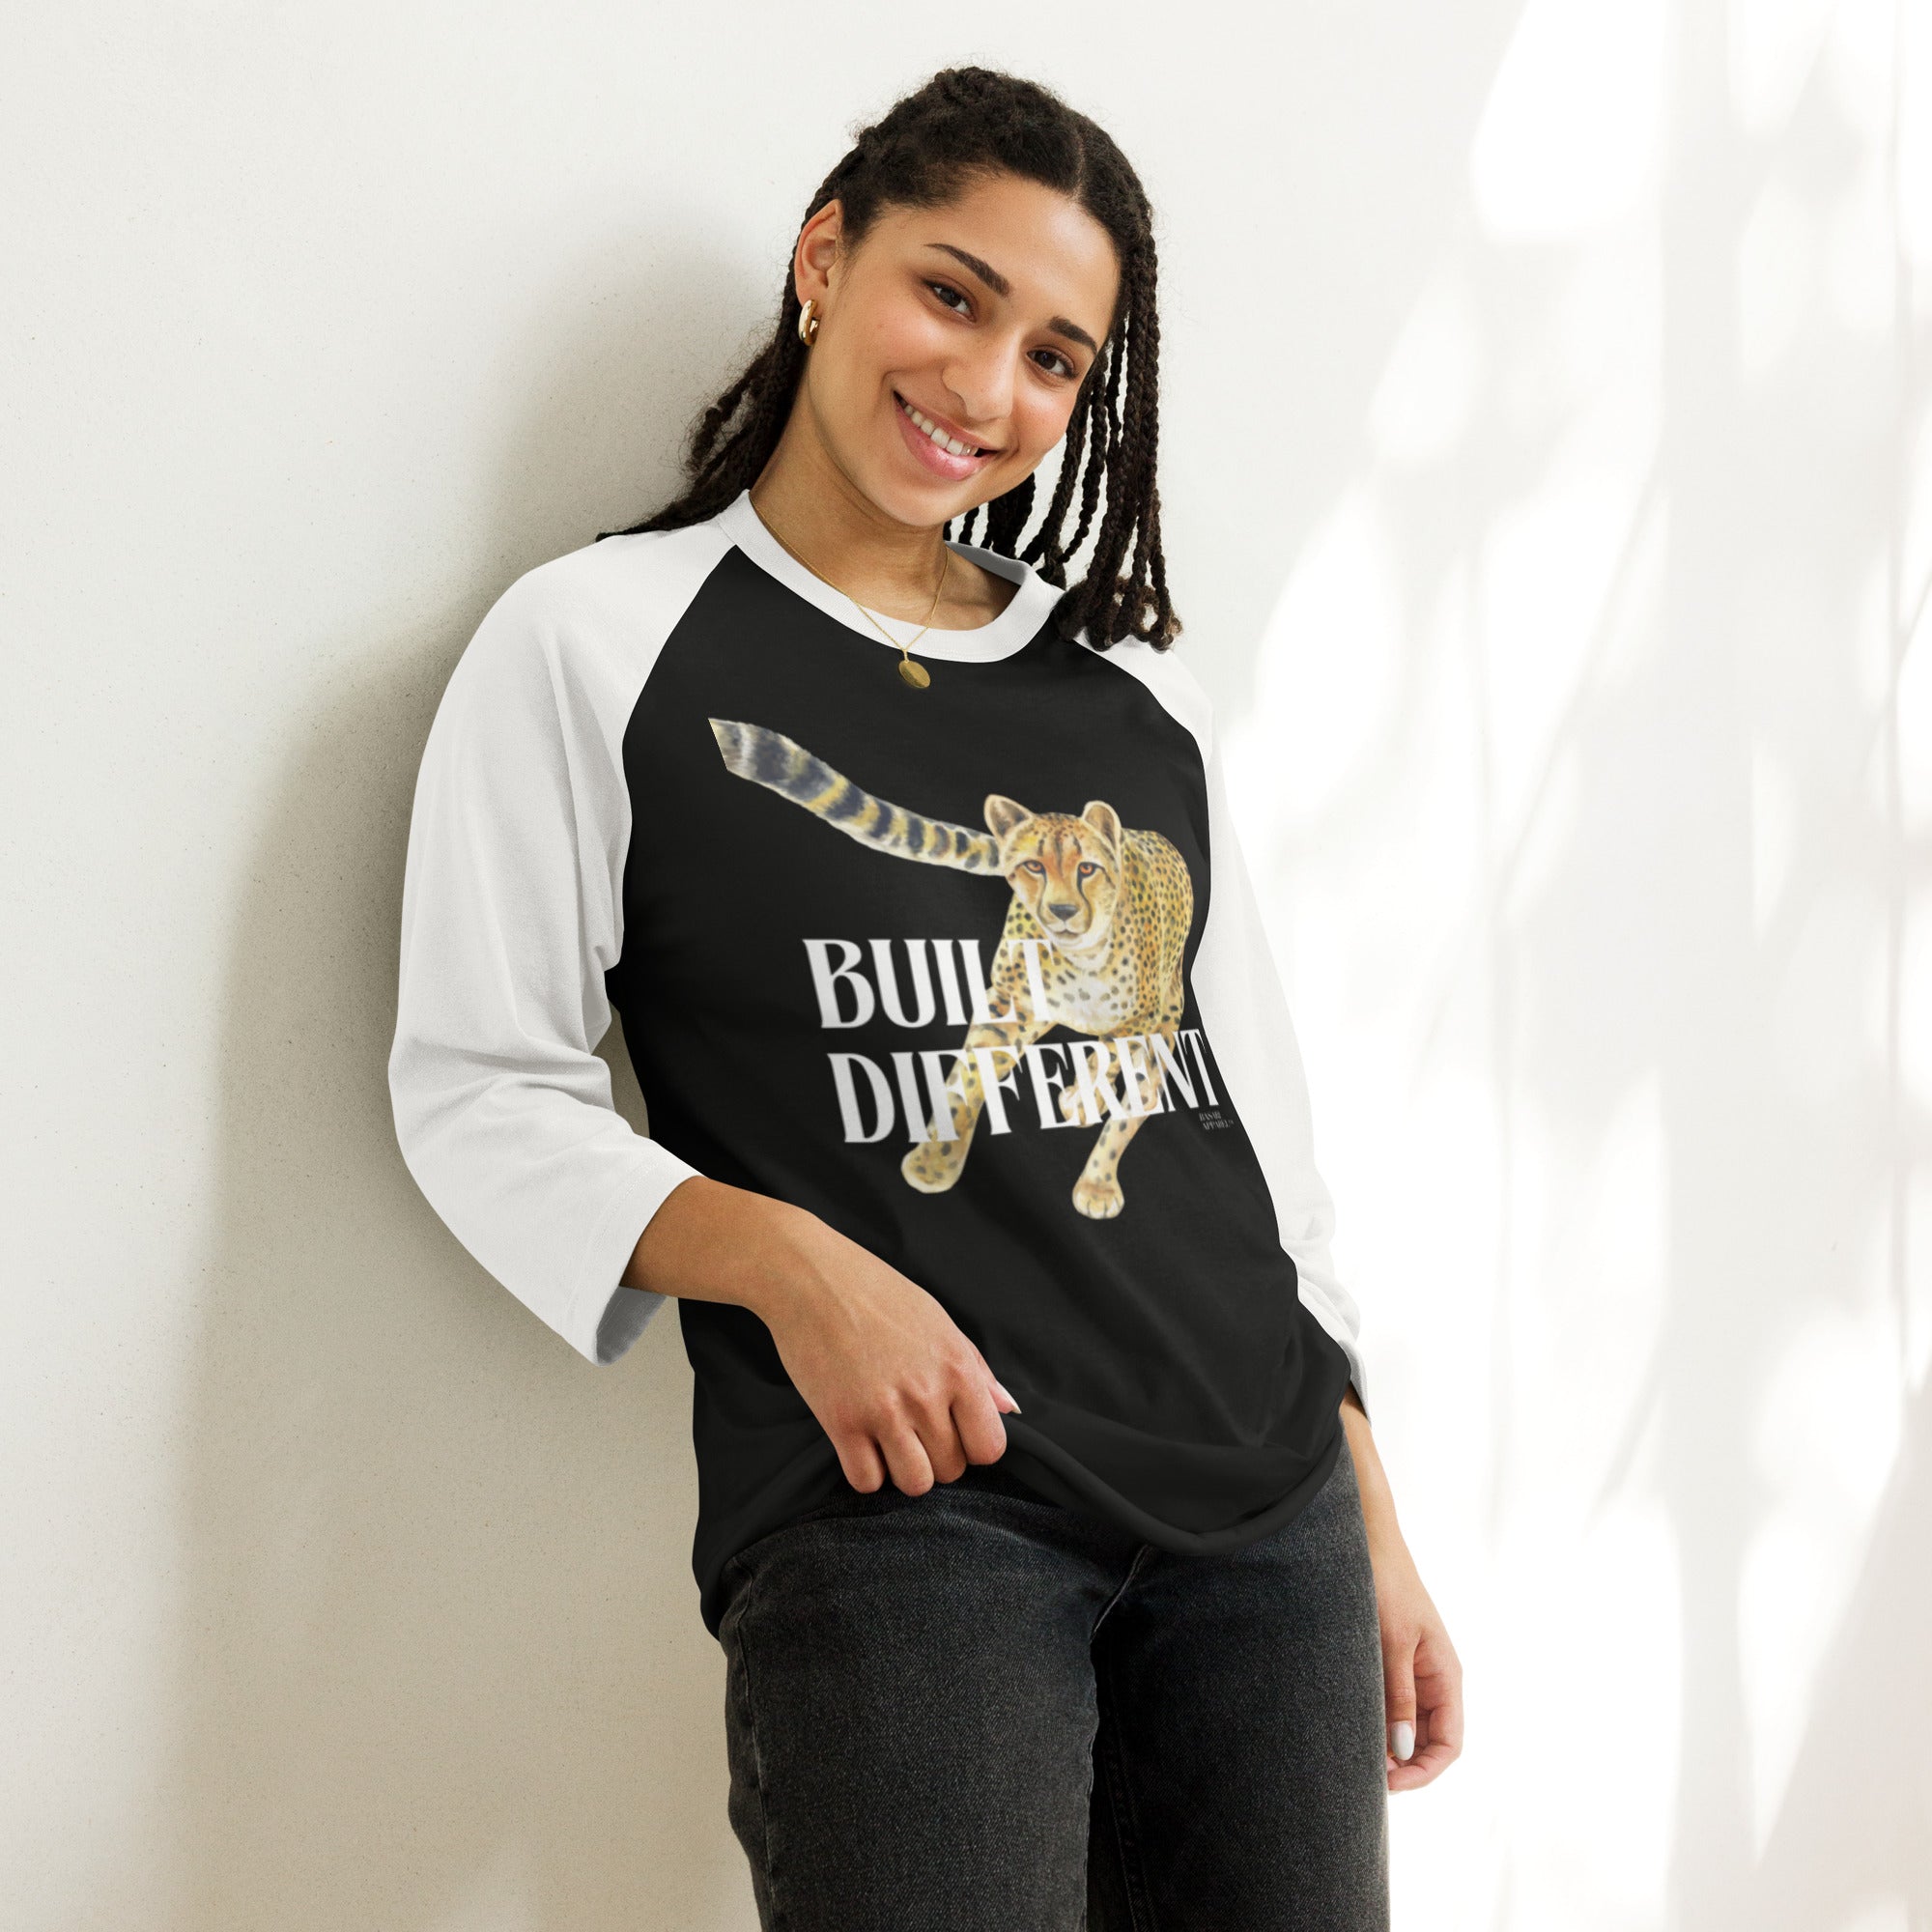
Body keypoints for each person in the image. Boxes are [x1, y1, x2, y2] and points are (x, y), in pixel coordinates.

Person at [388, 64, 1462, 1931]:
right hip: (915, 1508)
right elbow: (479, 1085)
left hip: (1259, 1503)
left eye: (1054, 357)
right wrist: (796, 1267)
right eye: (951, 295)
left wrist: (1366, 1509)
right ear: (827, 258)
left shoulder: (1131, 699)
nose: (985, 387)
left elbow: (1251, 1145)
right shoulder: (597, 645)